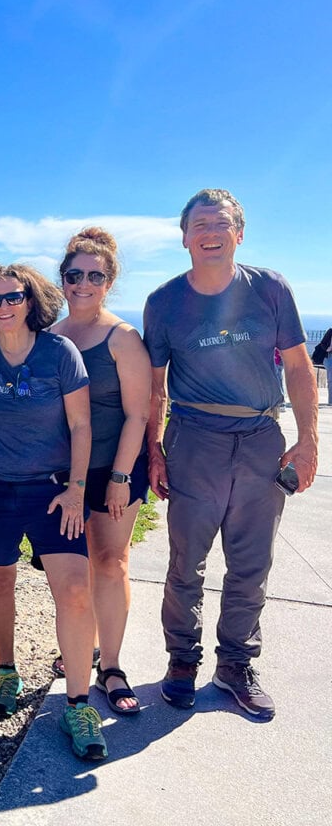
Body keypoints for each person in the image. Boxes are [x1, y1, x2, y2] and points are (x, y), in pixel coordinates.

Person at [145, 188, 318, 721]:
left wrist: (309, 439)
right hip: (194, 439)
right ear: (184, 237)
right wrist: (154, 448)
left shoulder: (269, 288)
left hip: (262, 439)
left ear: (239, 234)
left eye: (221, 222)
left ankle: (236, 664)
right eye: (199, 223)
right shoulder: (164, 301)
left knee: (251, 564)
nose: (210, 231)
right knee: (185, 563)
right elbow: (156, 386)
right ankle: (181, 663)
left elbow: (297, 364)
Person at [0, 263, 108, 761]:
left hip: (53, 492)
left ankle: (79, 703)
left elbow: (82, 427)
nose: (4, 307)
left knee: (73, 590)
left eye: (13, 297)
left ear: (31, 300)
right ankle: (7, 672)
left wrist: (75, 490)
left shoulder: (59, 352)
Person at [49, 228, 151, 714]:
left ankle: (110, 665)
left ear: (108, 281)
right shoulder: (52, 336)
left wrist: (121, 476)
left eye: (95, 275)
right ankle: (80, 649)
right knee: (76, 568)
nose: (83, 283)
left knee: (110, 562)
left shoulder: (123, 338)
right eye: (74, 275)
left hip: (115, 469)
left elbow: (139, 413)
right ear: (63, 280)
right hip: (66, 474)